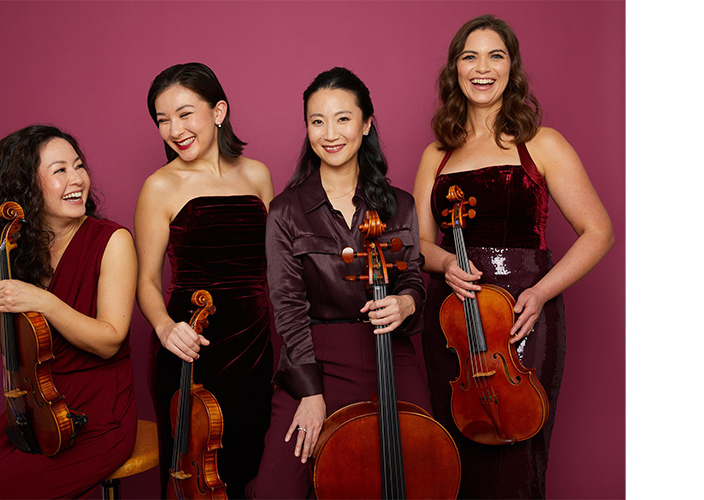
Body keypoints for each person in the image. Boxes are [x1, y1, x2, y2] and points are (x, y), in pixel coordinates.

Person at [412, 15, 614, 499]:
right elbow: (419, 242)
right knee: (458, 452)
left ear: (512, 68)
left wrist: (541, 293)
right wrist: (445, 263)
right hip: (453, 324)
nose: (483, 68)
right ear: (455, 70)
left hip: (526, 317)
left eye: (495, 56)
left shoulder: (542, 143)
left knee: (518, 452)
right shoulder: (435, 154)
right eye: (470, 56)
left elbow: (598, 231)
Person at [246, 67, 428, 500]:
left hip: (390, 352)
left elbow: (415, 277)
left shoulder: (400, 204)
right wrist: (310, 391)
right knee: (277, 491)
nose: (330, 133)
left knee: (420, 470)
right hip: (315, 354)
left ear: (366, 124)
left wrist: (406, 303)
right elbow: (287, 308)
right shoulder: (286, 212)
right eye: (317, 120)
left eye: (343, 119)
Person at [0, 125, 139, 499]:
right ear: (24, 188)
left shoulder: (112, 241)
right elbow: (12, 344)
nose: (77, 178)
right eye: (60, 170)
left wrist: (42, 300)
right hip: (35, 406)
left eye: (78, 166)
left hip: (98, 411)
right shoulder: (5, 253)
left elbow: (110, 341)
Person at [136, 62, 275, 499]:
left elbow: (278, 264)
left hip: (255, 346)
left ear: (218, 111)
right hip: (190, 345)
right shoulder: (159, 186)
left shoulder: (257, 174)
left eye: (184, 113)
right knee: (191, 474)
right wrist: (164, 328)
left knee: (247, 464)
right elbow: (145, 279)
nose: (174, 129)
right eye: (162, 120)